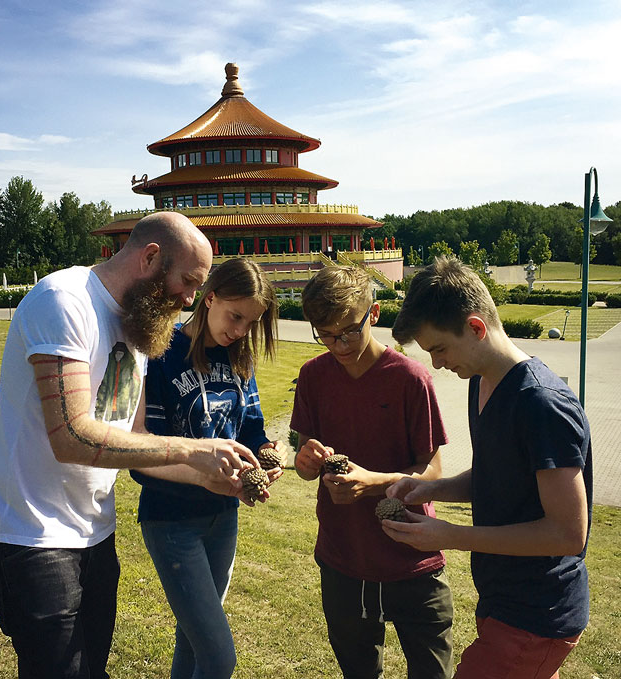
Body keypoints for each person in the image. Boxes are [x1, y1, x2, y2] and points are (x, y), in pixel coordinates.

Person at [0, 212, 261, 679]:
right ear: (151, 258)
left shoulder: (138, 324)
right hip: (34, 534)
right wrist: (193, 451)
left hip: (94, 530)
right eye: (188, 281)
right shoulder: (63, 301)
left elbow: (138, 443)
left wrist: (214, 477)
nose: (192, 298)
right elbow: (71, 436)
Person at [384, 257, 592, 679]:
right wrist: (428, 489)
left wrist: (452, 536)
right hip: (503, 602)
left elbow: (568, 534)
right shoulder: (482, 380)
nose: (436, 364)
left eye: (439, 349)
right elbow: (499, 478)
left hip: (537, 614)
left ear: (476, 327)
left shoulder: (541, 403)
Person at [291, 265, 454, 679]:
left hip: (412, 557)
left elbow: (433, 469)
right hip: (343, 558)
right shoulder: (313, 376)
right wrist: (306, 462)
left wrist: (373, 485)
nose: (338, 344)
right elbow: (306, 463)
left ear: (374, 313)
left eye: (348, 330)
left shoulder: (410, 378)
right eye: (325, 334)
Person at [131, 257, 284, 679]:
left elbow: (251, 428)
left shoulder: (239, 358)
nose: (239, 331)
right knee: (219, 657)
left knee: (194, 640)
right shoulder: (161, 354)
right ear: (209, 296)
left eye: (249, 323)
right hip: (172, 524)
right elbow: (142, 458)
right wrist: (204, 475)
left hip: (224, 520)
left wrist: (268, 452)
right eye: (235, 317)